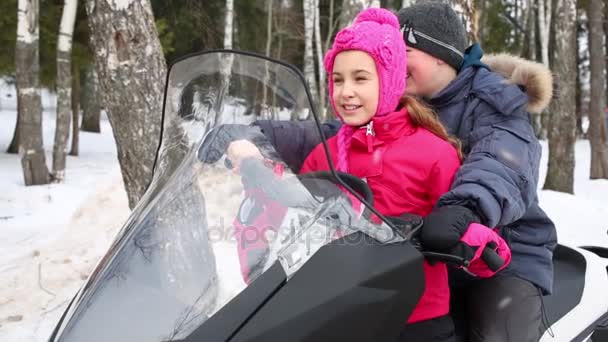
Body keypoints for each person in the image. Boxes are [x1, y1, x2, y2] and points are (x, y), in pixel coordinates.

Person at [235, 2, 556, 341]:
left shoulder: (495, 100)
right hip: (414, 258)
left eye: (404, 52)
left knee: (497, 333)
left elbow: (502, 162)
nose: (395, 64)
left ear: (439, 54)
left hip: (500, 253)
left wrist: (466, 207)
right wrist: (255, 135)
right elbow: (333, 135)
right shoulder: (394, 101)